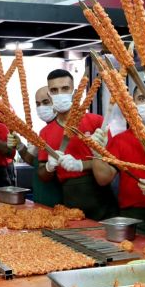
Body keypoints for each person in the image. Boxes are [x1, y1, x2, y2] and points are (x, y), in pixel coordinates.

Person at [92, 86, 145, 242]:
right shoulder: (120, 140)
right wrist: (97, 152)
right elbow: (103, 179)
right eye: (141, 99)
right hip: (133, 217)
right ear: (133, 105)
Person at [37, 69, 117, 219]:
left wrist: (81, 165)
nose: (60, 94)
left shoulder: (97, 122)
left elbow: (112, 165)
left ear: (74, 91)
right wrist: (49, 167)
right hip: (69, 200)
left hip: (102, 199)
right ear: (49, 94)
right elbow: (43, 175)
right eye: (54, 90)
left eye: (65, 89)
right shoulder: (45, 133)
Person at [7, 86, 63, 206]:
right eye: (38, 104)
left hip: (58, 197)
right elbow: (32, 160)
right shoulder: (43, 132)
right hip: (42, 195)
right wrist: (20, 145)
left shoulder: (65, 131)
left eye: (46, 102)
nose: (41, 107)